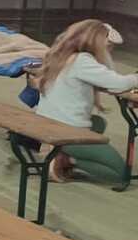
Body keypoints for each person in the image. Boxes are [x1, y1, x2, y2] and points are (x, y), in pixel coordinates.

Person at [32, 19, 137, 185]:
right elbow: (118, 83)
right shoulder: (82, 61)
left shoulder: (64, 56)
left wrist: (104, 48)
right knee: (121, 174)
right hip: (66, 131)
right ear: (96, 41)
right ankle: (67, 159)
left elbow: (108, 74)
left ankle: (62, 153)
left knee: (98, 122)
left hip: (48, 123)